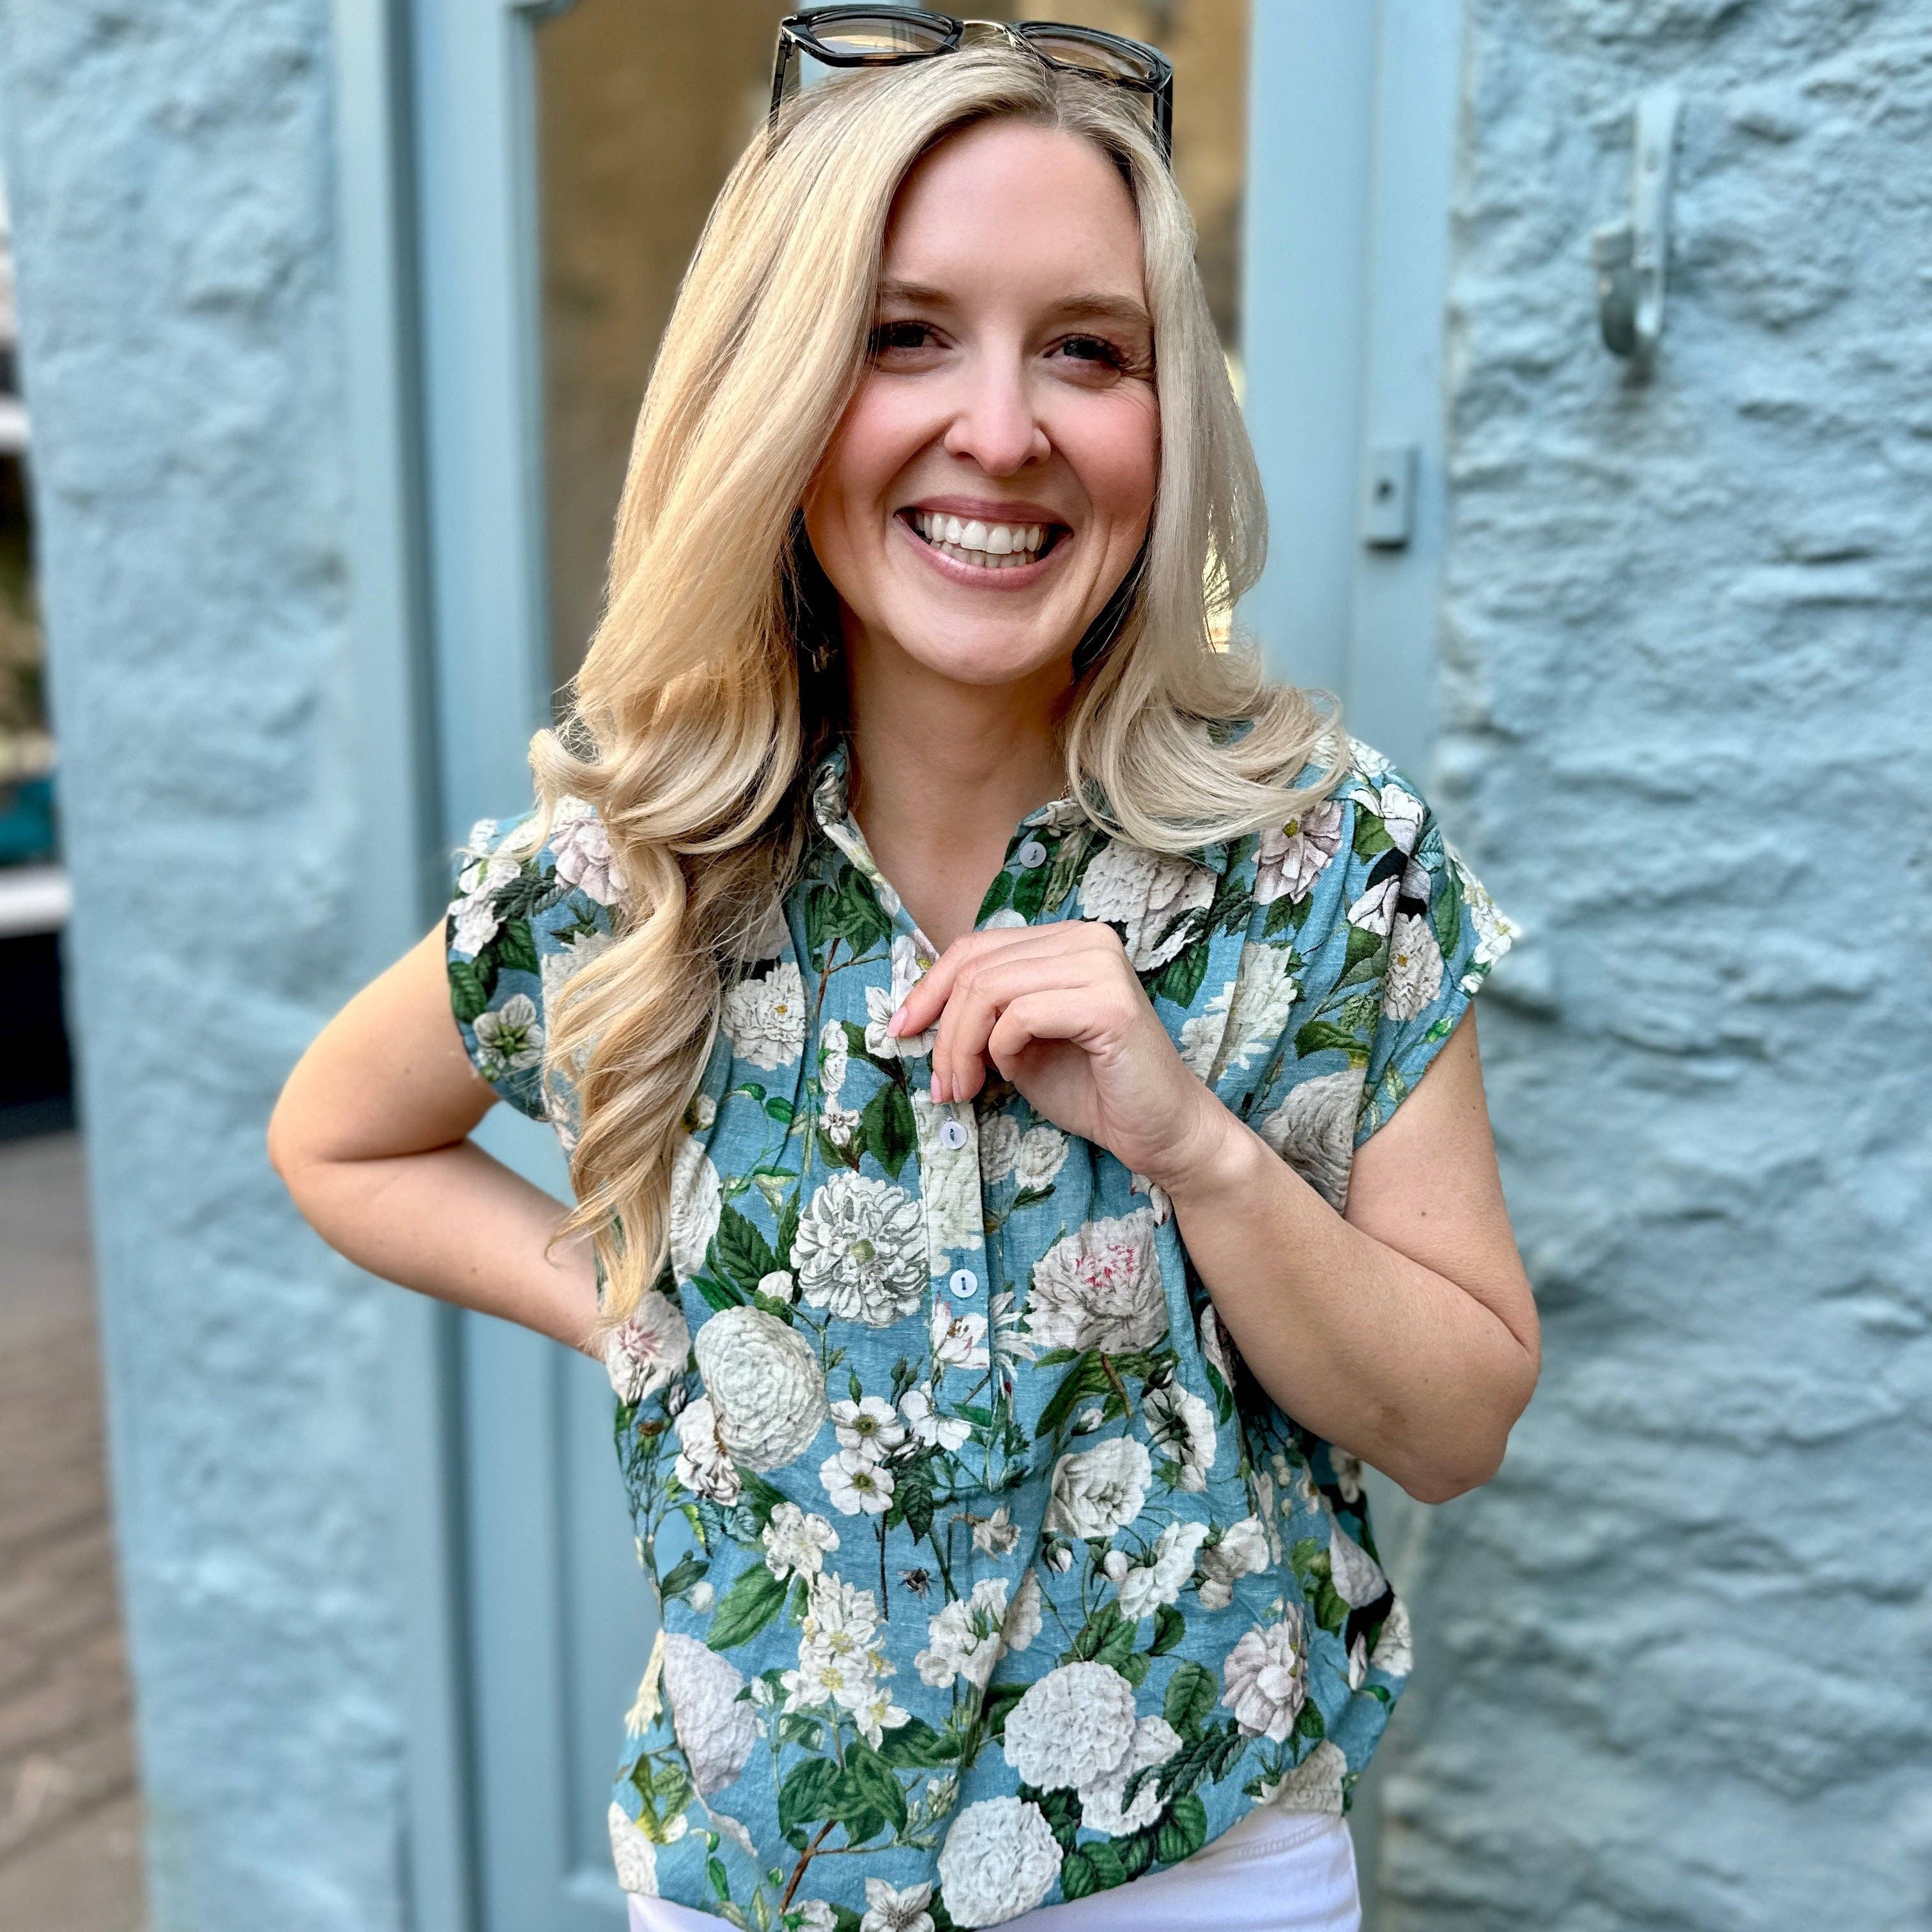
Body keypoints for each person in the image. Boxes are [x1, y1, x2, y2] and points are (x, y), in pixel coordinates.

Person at [268, 19, 1539, 1931]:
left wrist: (1197, 1150)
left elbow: (1458, 1423)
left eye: (1088, 350)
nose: (1004, 431)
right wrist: (646, 1312)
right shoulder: (640, 866)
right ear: (780, 391)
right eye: (906, 335)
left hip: (1200, 1873)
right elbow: (338, 1139)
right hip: (756, 1868)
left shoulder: (1322, 864)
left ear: (1170, 418)